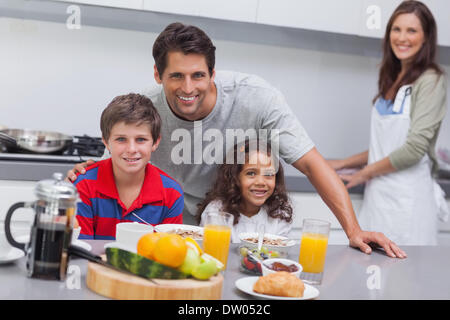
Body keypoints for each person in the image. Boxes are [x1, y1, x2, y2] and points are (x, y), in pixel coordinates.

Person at [67, 22, 406, 258]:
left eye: (198, 75)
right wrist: (92, 167)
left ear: (213, 73)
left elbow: (311, 163)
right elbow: (119, 157)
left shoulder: (257, 99)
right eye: (176, 77)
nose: (188, 88)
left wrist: (353, 230)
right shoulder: (147, 107)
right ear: (158, 75)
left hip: (227, 229)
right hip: (170, 230)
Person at [328, 1, 448, 245]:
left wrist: (364, 173)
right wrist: (344, 162)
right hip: (380, 198)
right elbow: (389, 146)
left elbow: (413, 150)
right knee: (371, 276)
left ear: (426, 37)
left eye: (412, 31)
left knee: (403, 280)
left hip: (407, 203)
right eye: (396, 29)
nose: (402, 38)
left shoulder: (431, 80)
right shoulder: (393, 79)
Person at [73, 93, 184, 240]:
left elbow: (168, 255)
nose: (131, 149)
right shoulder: (84, 186)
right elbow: (81, 250)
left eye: (141, 139)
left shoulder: (172, 194)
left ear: (155, 142)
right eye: (121, 139)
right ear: (106, 142)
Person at [197, 139, 293, 243]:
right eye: (251, 173)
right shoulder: (216, 212)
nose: (260, 182)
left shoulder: (280, 215)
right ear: (235, 178)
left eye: (269, 174)